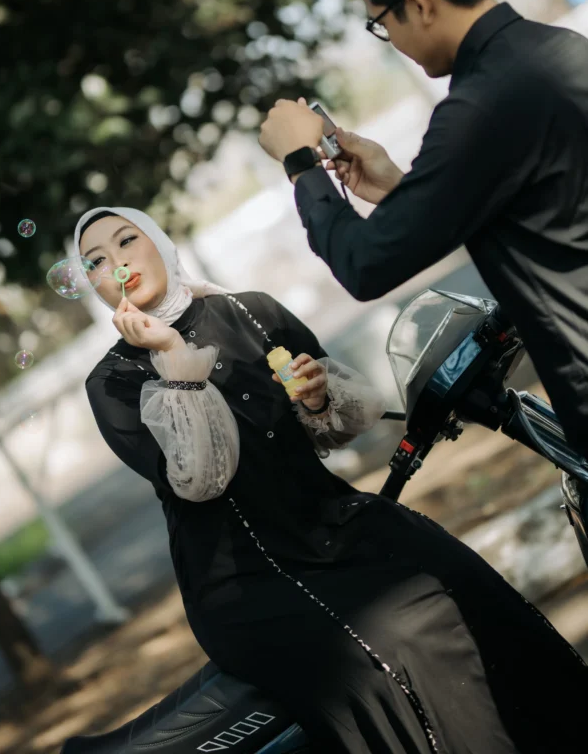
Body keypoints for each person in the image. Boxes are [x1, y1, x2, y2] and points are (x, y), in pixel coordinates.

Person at [74, 204, 588, 754]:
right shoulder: (112, 381)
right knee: (391, 638)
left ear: (160, 243)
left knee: (459, 577)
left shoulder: (251, 312)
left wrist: (319, 398)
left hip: (334, 522)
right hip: (246, 578)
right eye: (96, 261)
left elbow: (340, 427)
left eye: (127, 241)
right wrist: (173, 357)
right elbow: (203, 478)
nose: (118, 263)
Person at [258, 0, 588, 457]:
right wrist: (397, 187)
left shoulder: (479, 106)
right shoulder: (557, 50)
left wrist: (300, 165)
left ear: (417, 4)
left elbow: (366, 264)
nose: (392, 41)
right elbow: (534, 209)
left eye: (380, 23)